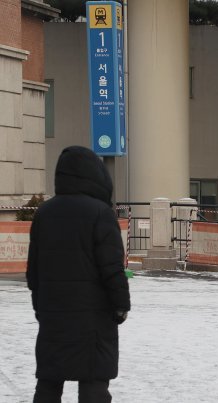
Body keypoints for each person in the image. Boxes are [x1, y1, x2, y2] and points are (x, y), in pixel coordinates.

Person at [26, 146, 131, 402]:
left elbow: (34, 271)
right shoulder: (100, 213)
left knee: (49, 383)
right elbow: (112, 269)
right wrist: (121, 305)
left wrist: (41, 307)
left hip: (53, 316)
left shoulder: (44, 213)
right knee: (93, 383)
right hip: (93, 319)